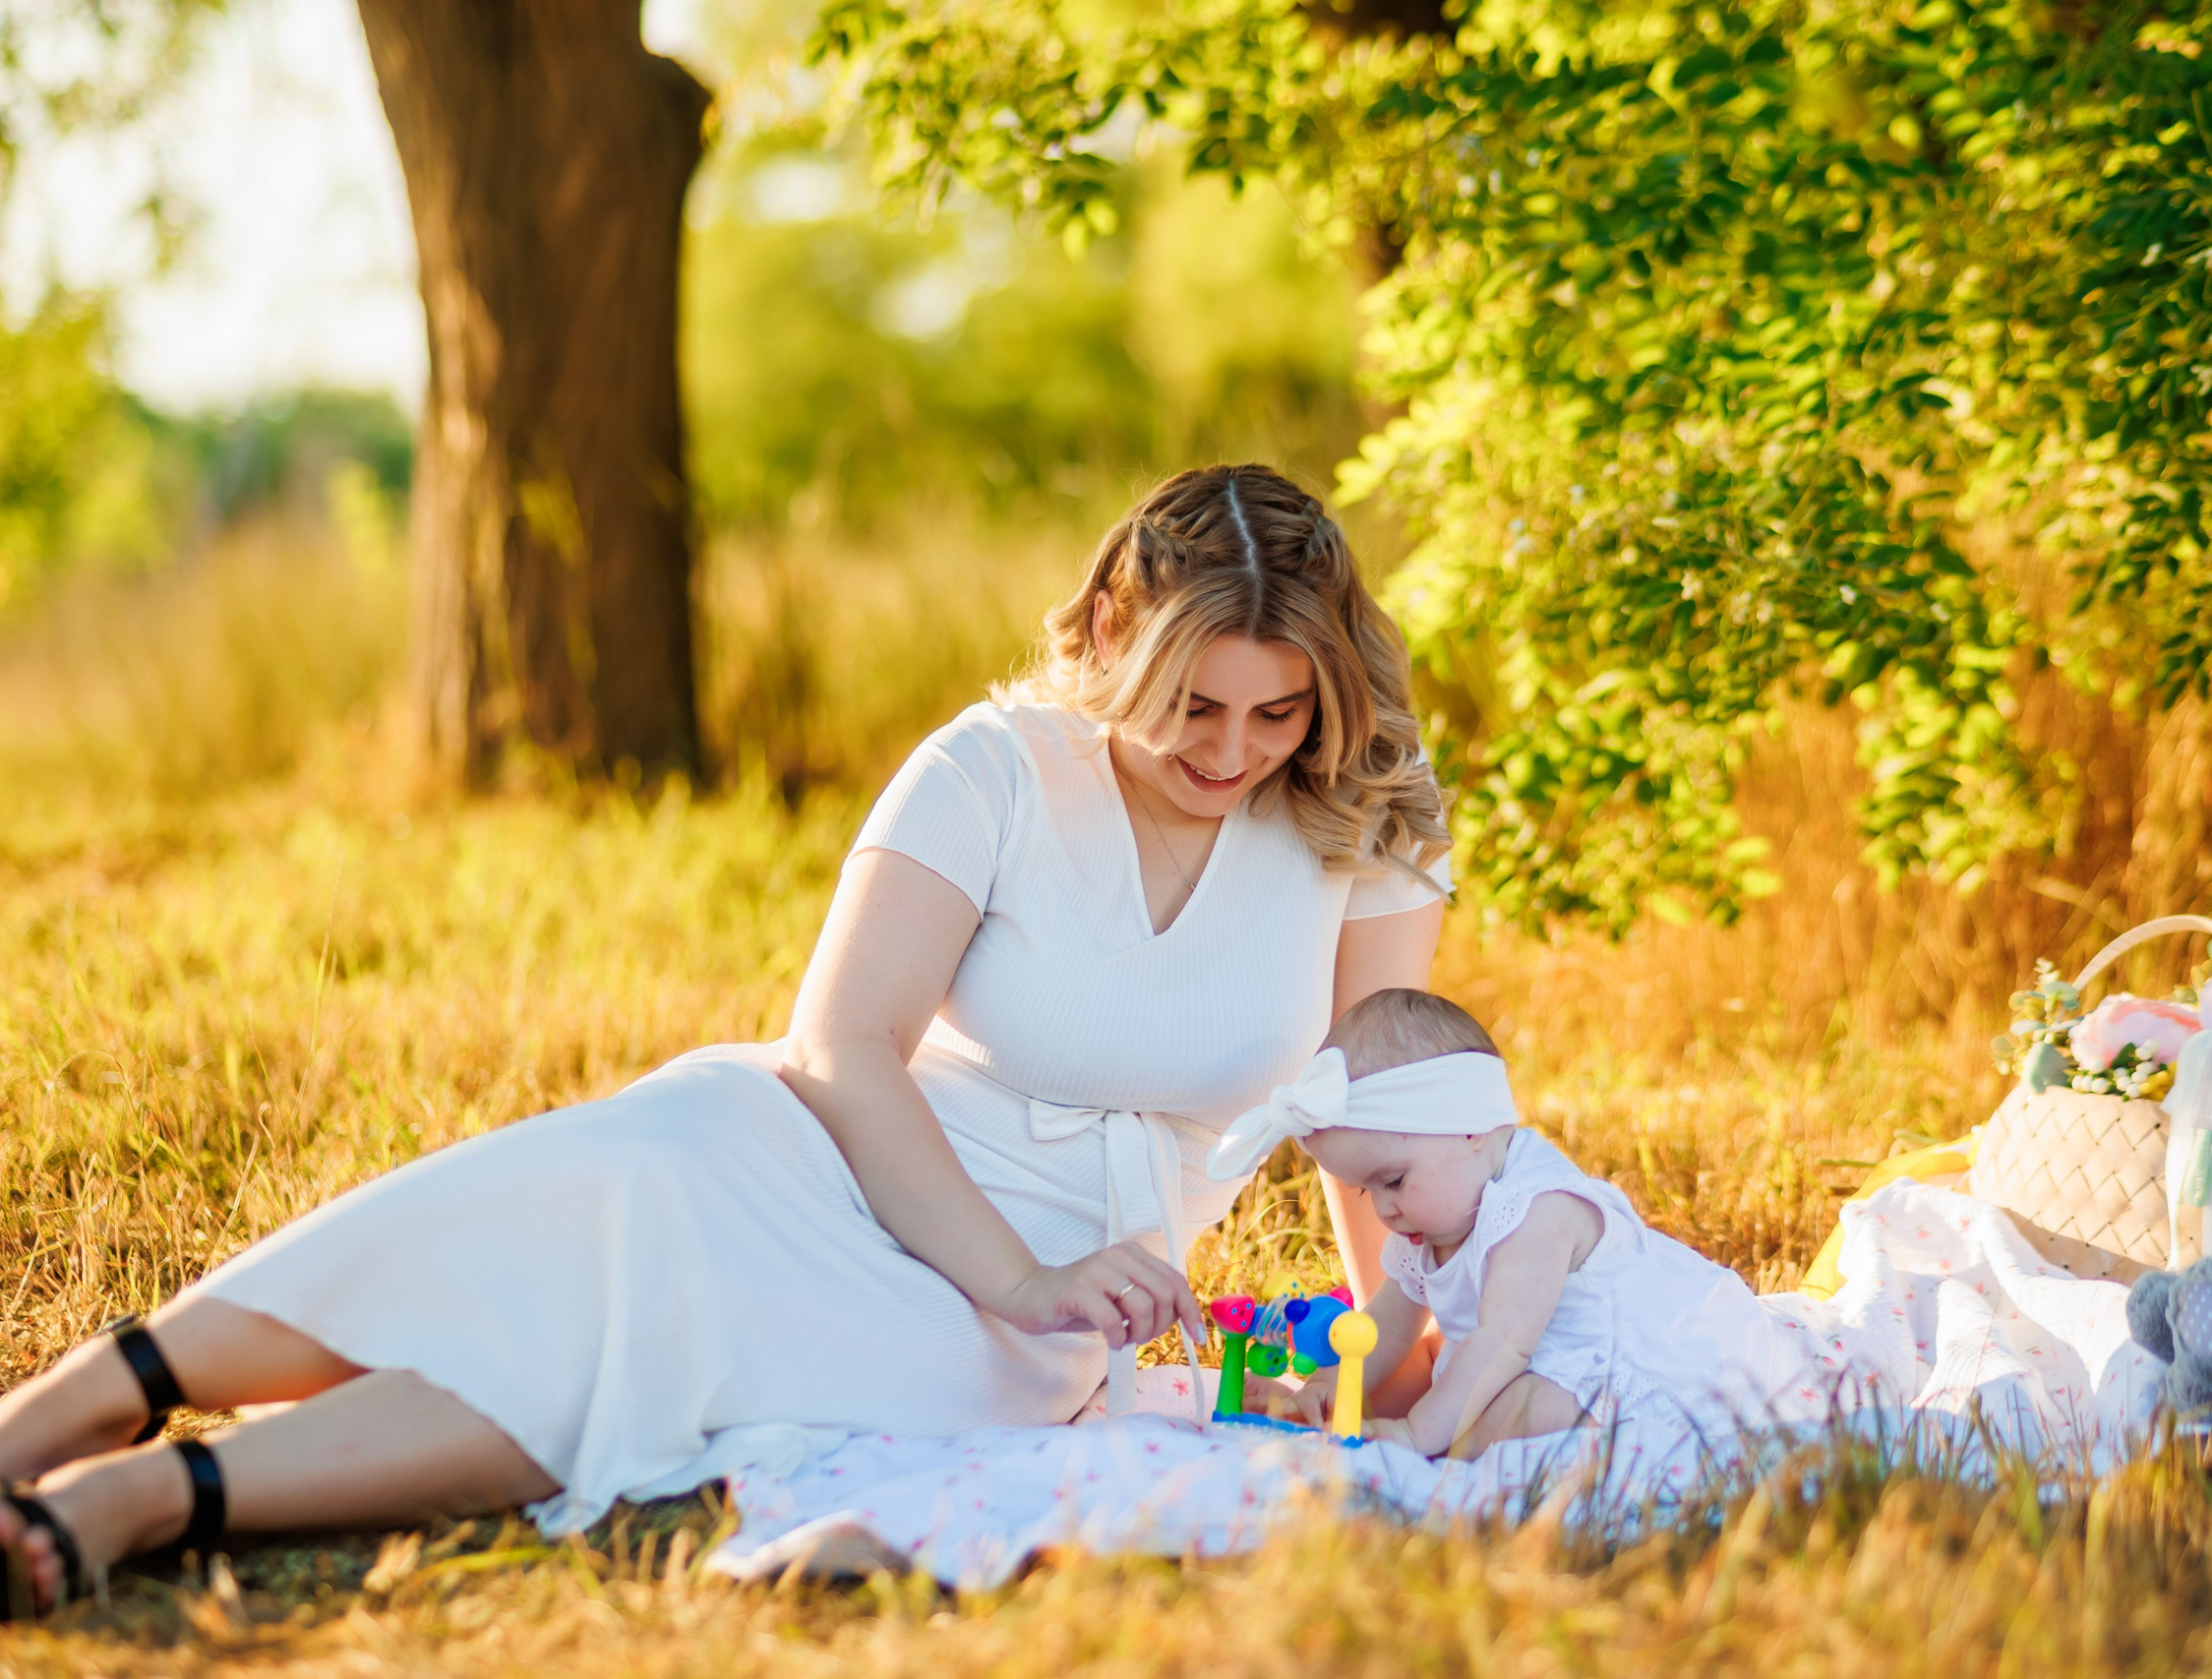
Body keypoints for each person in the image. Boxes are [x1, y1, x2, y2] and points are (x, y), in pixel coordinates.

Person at [0, 464, 1450, 1617]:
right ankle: (74, 1406)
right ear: (1114, 638)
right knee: (609, 1187)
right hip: (835, 1152)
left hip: (1036, 1318)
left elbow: (1378, 1099)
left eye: (1275, 711)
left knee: (656, 1355)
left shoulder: (1367, 814)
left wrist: (1392, 1329)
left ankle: (152, 1499)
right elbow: (844, 1044)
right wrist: (1013, 1270)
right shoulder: (993, 768)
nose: (1228, 751)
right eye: (1190, 707)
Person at [1207, 989, 1809, 1458]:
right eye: (1367, 1190)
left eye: (1393, 1180)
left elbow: (1502, 1344)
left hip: (1648, 1362)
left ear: (1470, 1127)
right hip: (1537, 1360)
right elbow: (1386, 1326)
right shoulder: (1429, 1227)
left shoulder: (1536, 1212)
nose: (1384, 1209)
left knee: (1512, 1410)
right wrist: (1327, 1386)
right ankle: (1337, 1419)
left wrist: (1418, 1434)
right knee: (1415, 1373)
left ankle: (1422, 1452)